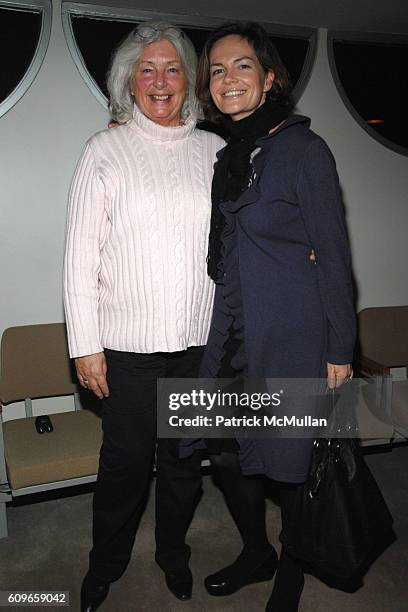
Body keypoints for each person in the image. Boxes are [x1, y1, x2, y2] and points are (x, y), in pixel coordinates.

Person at [181, 21, 356, 612]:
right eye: (218, 69)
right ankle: (257, 550)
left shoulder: (304, 150)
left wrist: (341, 349)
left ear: (270, 77)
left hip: (291, 333)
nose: (229, 79)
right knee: (228, 450)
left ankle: (294, 567)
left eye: (244, 66)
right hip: (234, 331)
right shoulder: (229, 155)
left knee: (291, 460)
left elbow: (333, 256)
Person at [63, 22, 225, 611]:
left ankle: (172, 556)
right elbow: (80, 258)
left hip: (197, 347)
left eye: (173, 68)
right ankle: (104, 566)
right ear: (129, 81)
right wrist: (85, 346)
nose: (160, 80)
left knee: (183, 465)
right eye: (147, 69)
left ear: (189, 81)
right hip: (126, 350)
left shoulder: (215, 151)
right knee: (125, 469)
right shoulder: (103, 149)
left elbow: (244, 236)